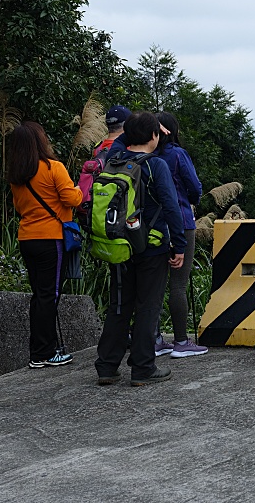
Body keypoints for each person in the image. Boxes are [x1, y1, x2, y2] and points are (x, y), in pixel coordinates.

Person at [94, 111, 187, 386]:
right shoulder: (155, 165)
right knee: (148, 306)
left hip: (120, 245)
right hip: (151, 247)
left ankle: (107, 366)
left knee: (119, 304)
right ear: (155, 136)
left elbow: (124, 139)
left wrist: (137, 129)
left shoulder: (115, 159)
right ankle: (143, 367)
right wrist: (179, 245)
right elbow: (171, 207)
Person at [6, 121, 83, 369]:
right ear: (40, 141)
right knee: (50, 295)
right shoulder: (53, 168)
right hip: (52, 239)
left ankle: (37, 351)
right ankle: (46, 353)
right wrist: (82, 189)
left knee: (40, 294)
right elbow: (72, 198)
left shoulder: (16, 175)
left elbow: (19, 208)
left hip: (27, 238)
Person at [153, 112, 207, 358]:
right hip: (182, 222)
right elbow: (195, 187)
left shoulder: (146, 156)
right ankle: (181, 342)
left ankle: (154, 339)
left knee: (152, 284)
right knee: (178, 284)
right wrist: (189, 200)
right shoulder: (177, 154)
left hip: (151, 225)